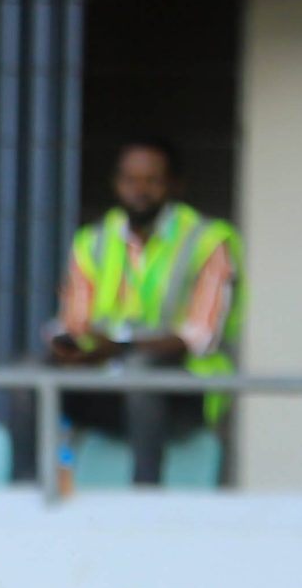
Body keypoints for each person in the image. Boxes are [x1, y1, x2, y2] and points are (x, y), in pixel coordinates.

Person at [48, 139, 244, 485]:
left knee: (141, 372)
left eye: (151, 180)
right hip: (108, 379)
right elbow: (75, 322)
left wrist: (121, 347)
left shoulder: (208, 240)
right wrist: (70, 346)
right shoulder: (92, 240)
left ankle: (146, 498)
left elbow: (201, 336)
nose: (139, 190)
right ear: (116, 183)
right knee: (29, 372)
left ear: (174, 185)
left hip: (185, 393)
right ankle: (26, 492)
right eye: (129, 180)